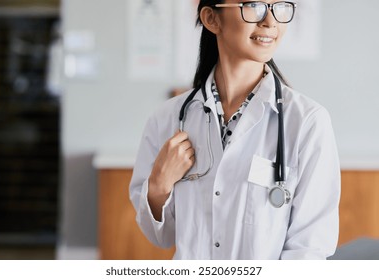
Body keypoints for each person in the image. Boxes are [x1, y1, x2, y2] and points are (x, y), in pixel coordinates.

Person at [129, 0, 340, 259]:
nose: (271, 21)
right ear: (212, 19)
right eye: (254, 5)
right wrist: (159, 186)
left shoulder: (308, 122)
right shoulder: (167, 119)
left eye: (280, 6)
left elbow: (309, 249)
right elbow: (160, 236)